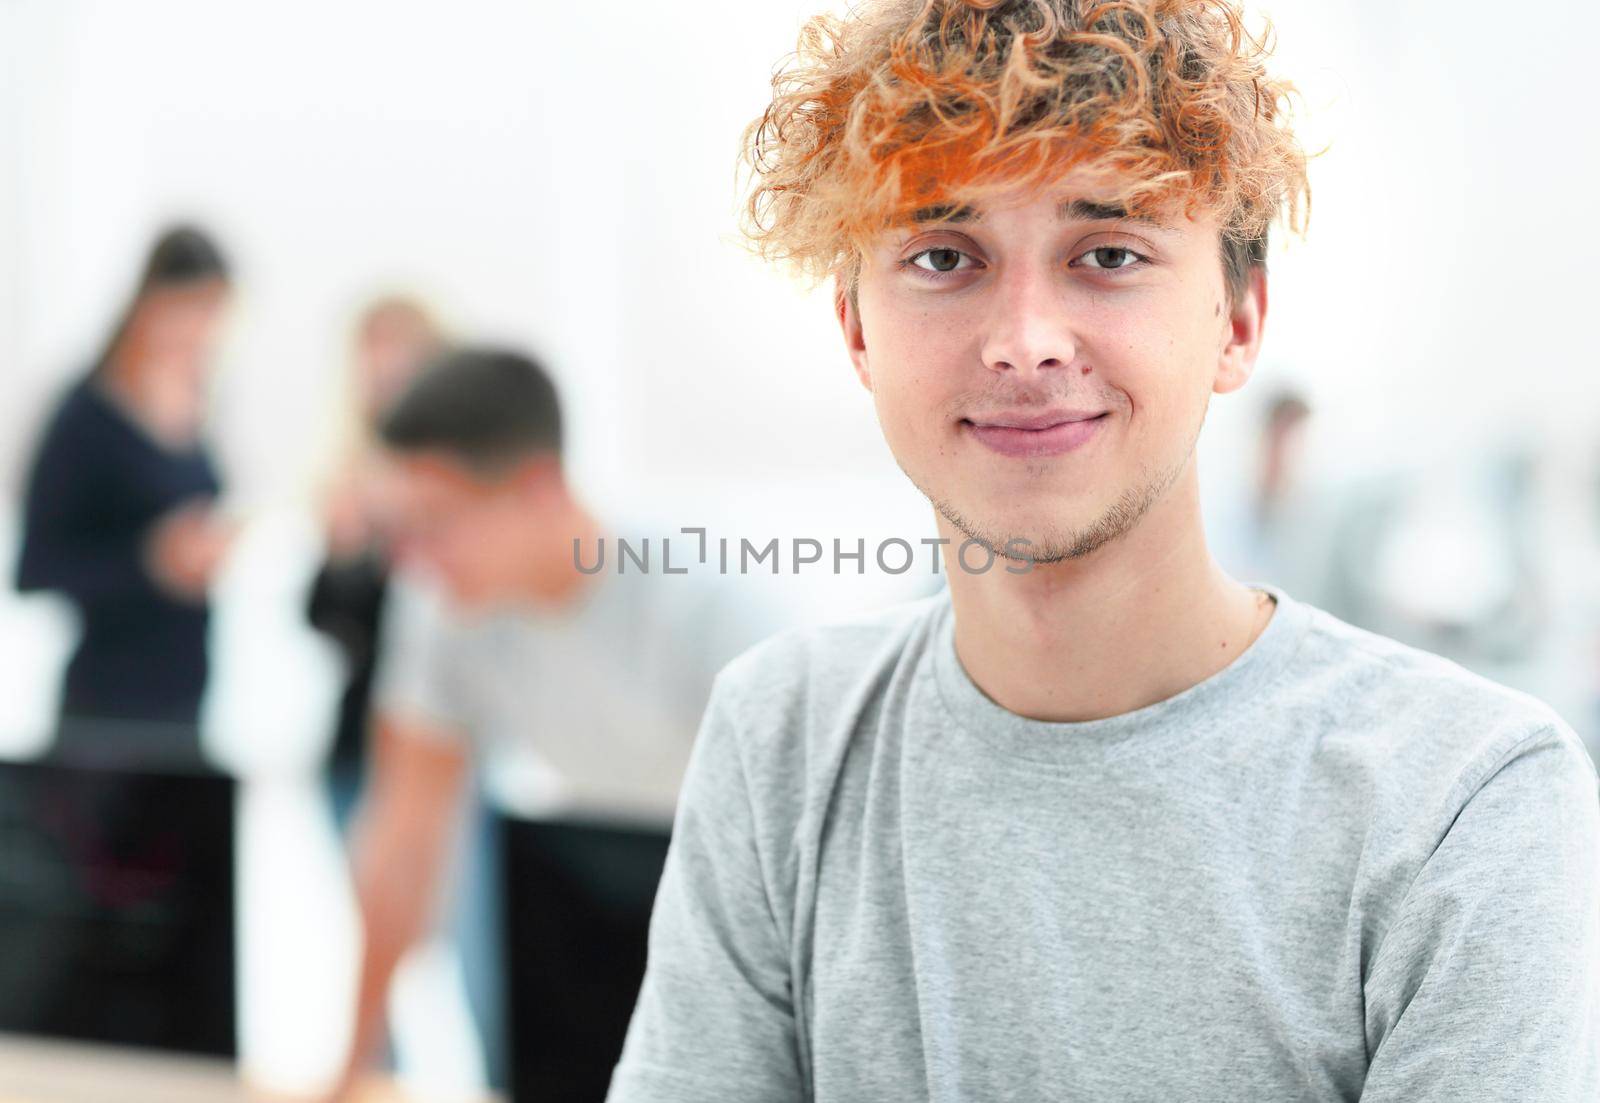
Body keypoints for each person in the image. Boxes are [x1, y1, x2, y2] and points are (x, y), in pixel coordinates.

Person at [608, 2, 1600, 1100]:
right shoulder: (780, 740)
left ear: (1236, 321)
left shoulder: (1463, 797)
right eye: (944, 255)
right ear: (855, 329)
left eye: (1109, 252)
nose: (1024, 339)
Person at [322, 347, 787, 1102]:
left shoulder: (704, 602)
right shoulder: (441, 604)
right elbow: (403, 838)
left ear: (538, 489)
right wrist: (347, 1072)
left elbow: (813, 854)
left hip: (733, 890)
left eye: (436, 523)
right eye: (398, 529)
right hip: (582, 886)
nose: (413, 560)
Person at [15, 224, 236, 758]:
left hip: (185, 696)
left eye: (213, 315)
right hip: (107, 707)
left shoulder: (196, 400)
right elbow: (35, 568)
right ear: (149, 303)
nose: (200, 332)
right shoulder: (85, 417)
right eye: (190, 310)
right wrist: (150, 562)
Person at [306, 295, 445, 832]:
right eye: (371, 352)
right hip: (359, 738)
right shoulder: (351, 475)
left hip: (441, 742)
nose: (383, 368)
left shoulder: (458, 484)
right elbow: (323, 619)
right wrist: (346, 550)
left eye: (396, 349)